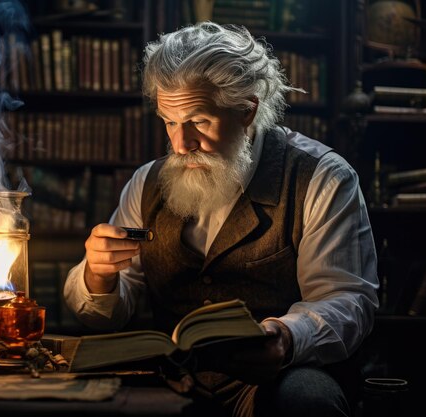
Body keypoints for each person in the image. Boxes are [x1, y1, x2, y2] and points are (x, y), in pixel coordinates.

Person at [64, 22, 379, 417]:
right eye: (170, 122)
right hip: (173, 378)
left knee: (307, 400)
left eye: (198, 121)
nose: (181, 144)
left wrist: (285, 336)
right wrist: (98, 275)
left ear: (247, 111)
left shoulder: (322, 177)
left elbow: (348, 299)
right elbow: (105, 310)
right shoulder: (147, 182)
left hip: (276, 377)